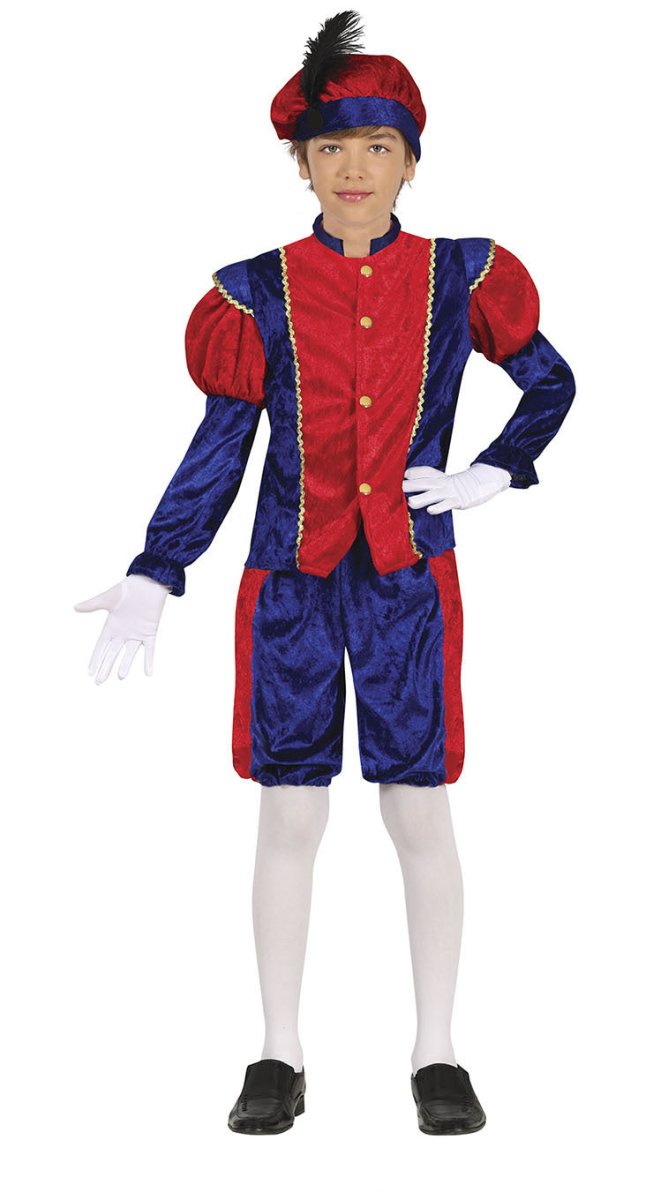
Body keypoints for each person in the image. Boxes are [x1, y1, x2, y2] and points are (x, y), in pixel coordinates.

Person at [75, 10, 576, 1136]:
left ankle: (437, 1051)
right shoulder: (254, 292)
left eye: (377, 147)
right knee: (289, 810)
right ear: (299, 163)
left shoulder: (460, 277)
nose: (354, 169)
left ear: (411, 161)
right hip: (288, 582)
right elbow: (221, 443)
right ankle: (277, 1051)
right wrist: (159, 566)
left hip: (407, 578)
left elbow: (548, 380)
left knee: (418, 806)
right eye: (331, 148)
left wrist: (495, 469)